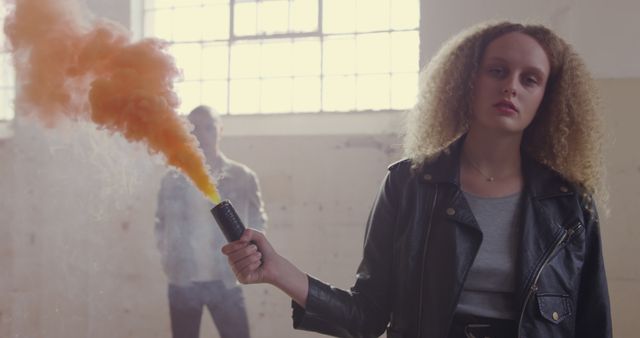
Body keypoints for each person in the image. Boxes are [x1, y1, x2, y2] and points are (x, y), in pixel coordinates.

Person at [221, 21, 611, 338]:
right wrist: (279, 271)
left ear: (547, 97)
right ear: (467, 80)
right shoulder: (409, 184)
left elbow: (593, 324)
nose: (511, 85)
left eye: (530, 79)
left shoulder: (569, 202)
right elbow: (368, 315)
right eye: (497, 70)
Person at [155, 105, 267, 338]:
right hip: (182, 280)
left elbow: (258, 222)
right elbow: (160, 223)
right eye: (194, 129)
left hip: (227, 279)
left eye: (209, 128)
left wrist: (250, 257)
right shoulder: (172, 179)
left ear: (220, 131)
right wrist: (168, 259)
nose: (202, 135)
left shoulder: (242, 176)